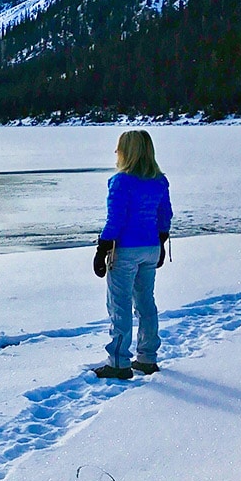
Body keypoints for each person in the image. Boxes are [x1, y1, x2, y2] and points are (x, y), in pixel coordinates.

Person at [92, 130, 172, 380]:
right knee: (146, 303)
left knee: (120, 305)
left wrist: (101, 248)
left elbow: (115, 220)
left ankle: (118, 362)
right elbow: (165, 216)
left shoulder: (121, 182)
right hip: (150, 248)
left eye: (119, 148)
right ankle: (147, 357)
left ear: (127, 151)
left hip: (125, 250)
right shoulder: (159, 181)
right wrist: (160, 242)